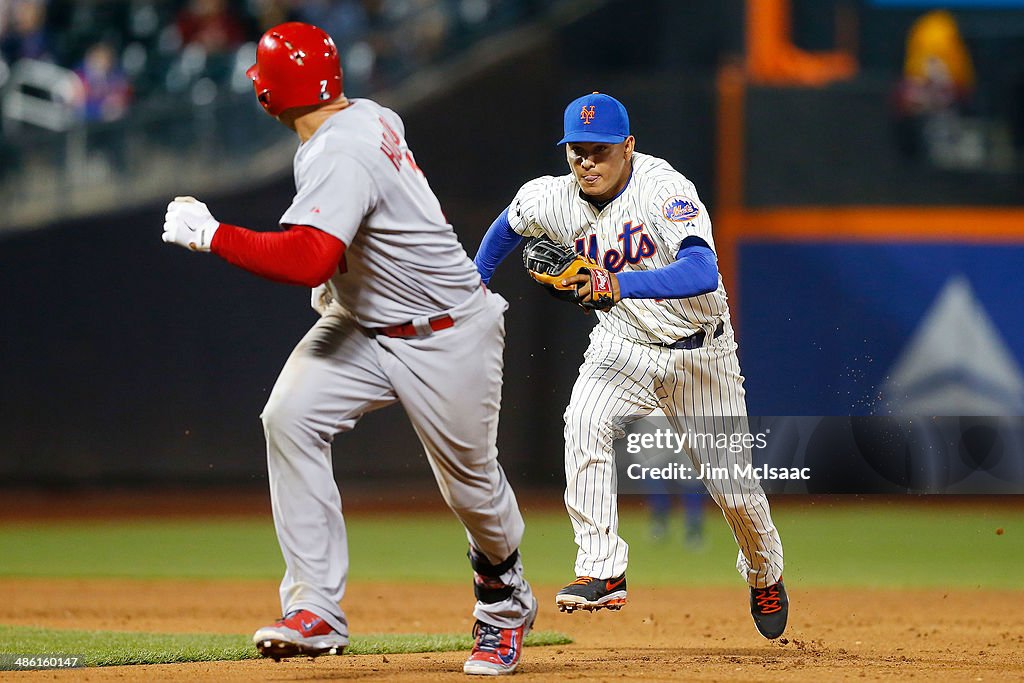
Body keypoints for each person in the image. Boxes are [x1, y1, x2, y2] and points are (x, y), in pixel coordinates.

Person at [160, 22, 536, 676]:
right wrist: (348, 279)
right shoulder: (366, 114)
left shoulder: (339, 149)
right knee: (290, 415)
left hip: (446, 333)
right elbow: (357, 237)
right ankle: (315, 607)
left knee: (472, 491)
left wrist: (211, 234)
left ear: (273, 93)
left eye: (262, 77)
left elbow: (309, 256)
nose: (257, 86)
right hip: (366, 322)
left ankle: (504, 600)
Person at [473, 92, 788, 639]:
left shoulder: (665, 190)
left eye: (599, 151)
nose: (586, 163)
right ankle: (602, 569)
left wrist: (613, 282)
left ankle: (764, 572)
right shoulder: (551, 198)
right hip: (623, 345)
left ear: (628, 147)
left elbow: (701, 271)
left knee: (734, 490)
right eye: (577, 152)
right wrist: (474, 283)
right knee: (583, 422)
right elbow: (508, 226)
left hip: (700, 352)